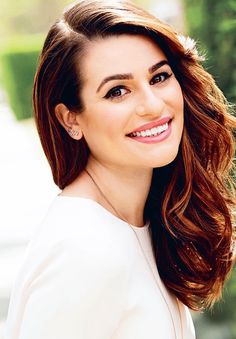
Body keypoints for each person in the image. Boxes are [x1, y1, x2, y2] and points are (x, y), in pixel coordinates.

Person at [5, 0, 236, 338]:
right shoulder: (83, 252)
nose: (153, 105)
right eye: (117, 91)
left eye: (159, 77)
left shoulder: (142, 221)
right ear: (70, 118)